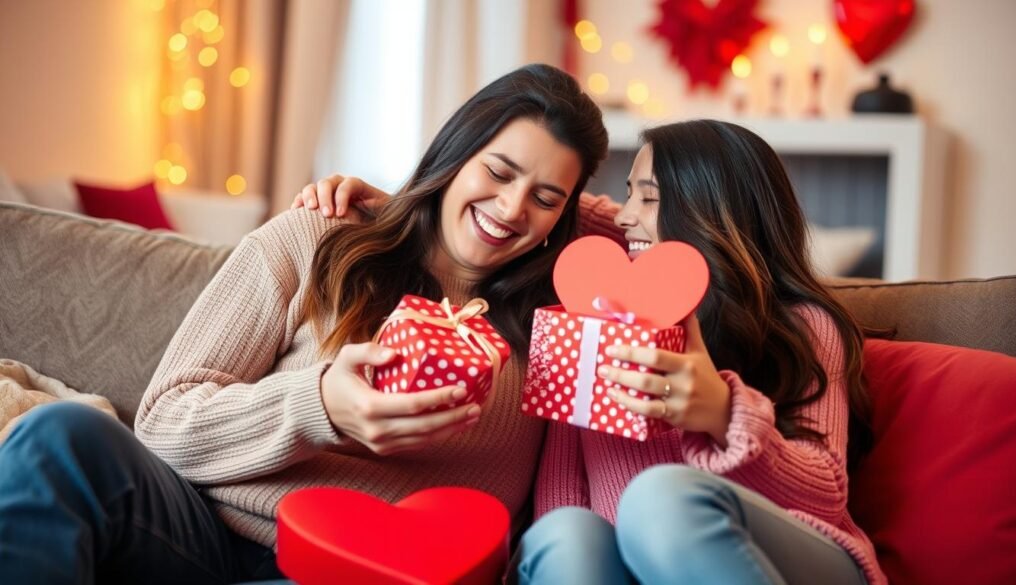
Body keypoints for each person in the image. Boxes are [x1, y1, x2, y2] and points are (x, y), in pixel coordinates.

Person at [0, 63, 607, 584]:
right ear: (455, 155)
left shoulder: (559, 324)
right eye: (498, 173)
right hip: (202, 532)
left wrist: (585, 216)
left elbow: (668, 243)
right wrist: (317, 407)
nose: (510, 208)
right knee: (59, 436)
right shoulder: (318, 238)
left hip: (364, 570)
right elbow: (163, 423)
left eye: (547, 197)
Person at [292, 120, 884, 584]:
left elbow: (826, 492)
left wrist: (722, 415)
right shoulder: (590, 321)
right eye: (626, 195)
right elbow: (537, 213)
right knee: (566, 530)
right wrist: (411, 201)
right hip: (627, 563)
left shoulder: (800, 326)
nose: (625, 216)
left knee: (658, 500)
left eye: (648, 199)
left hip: (792, 558)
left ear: (711, 213)